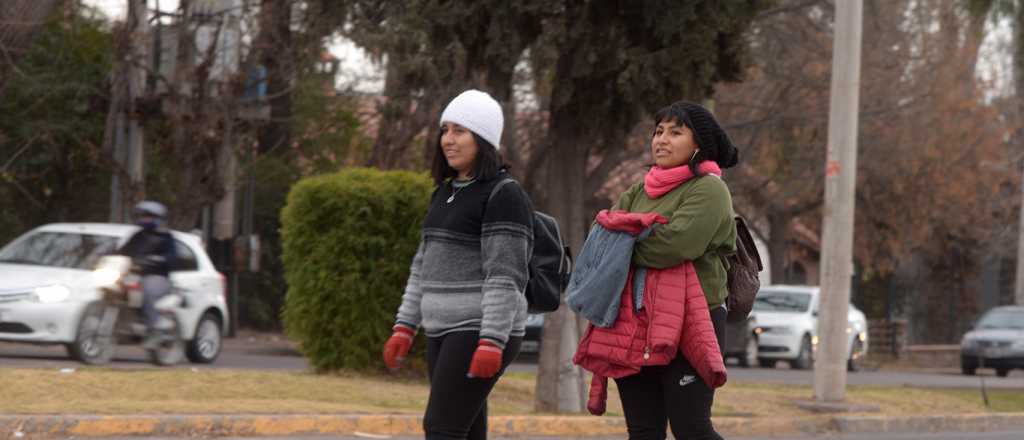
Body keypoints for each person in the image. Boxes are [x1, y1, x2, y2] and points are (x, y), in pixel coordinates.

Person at [381, 89, 534, 440]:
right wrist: (405, 326)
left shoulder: (503, 193)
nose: (448, 140)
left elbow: (505, 275)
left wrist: (492, 340)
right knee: (465, 430)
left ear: (483, 139)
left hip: (477, 328)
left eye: (459, 131)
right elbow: (423, 266)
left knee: (441, 428)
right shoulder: (445, 192)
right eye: (445, 130)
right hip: (441, 327)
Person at [581, 101, 739, 440]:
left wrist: (625, 240)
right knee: (642, 430)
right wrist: (629, 236)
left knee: (691, 428)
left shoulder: (709, 189)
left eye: (676, 132)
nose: (661, 140)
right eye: (658, 131)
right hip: (635, 321)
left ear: (699, 145)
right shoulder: (639, 189)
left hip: (693, 320)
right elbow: (601, 239)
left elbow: (675, 245)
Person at [117, 200, 177, 349]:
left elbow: (172, 258)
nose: (145, 219)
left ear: (158, 217)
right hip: (134, 275)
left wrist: (158, 260)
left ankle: (154, 329)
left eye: (149, 216)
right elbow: (122, 251)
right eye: (143, 216)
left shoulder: (166, 237)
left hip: (158, 277)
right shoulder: (137, 235)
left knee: (147, 291)